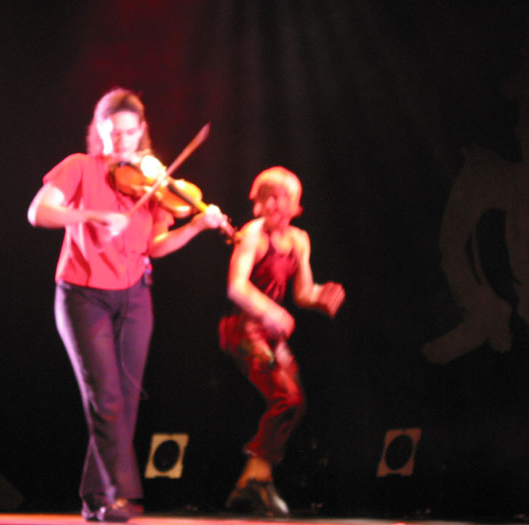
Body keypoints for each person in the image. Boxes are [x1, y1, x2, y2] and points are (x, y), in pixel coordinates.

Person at [27, 87, 226, 522]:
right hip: (82, 296)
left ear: (142, 132)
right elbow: (38, 212)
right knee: (107, 399)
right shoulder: (80, 167)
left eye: (130, 132)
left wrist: (197, 227)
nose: (122, 141)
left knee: (127, 401)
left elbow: (155, 246)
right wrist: (91, 216)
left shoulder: (152, 180)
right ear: (100, 130)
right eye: (113, 132)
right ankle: (112, 496)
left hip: (136, 295)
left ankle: (98, 495)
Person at [219, 166, 345, 517]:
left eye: (282, 197)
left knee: (295, 403)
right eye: (268, 197)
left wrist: (320, 296)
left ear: (296, 205)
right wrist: (271, 311)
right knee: (286, 397)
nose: (275, 204)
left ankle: (252, 478)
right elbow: (236, 286)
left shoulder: (299, 240)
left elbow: (302, 292)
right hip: (243, 329)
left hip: (270, 334)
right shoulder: (252, 234)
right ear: (258, 202)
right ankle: (255, 479)